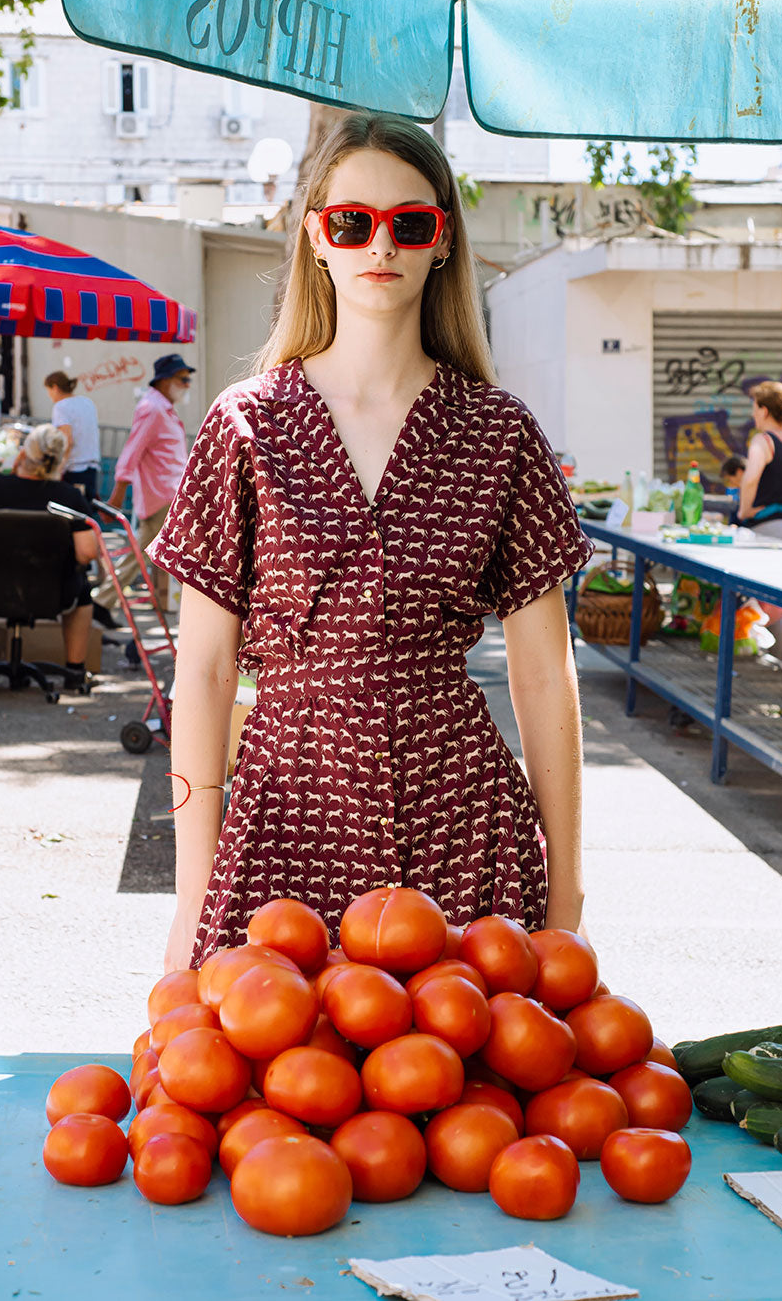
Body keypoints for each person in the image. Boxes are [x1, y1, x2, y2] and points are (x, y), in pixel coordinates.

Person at [148, 112, 595, 973]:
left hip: (465, 822)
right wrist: (192, 891)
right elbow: (202, 673)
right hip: (286, 821)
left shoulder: (499, 433)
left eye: (410, 222)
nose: (378, 244)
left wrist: (567, 893)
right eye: (351, 221)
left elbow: (546, 674)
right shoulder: (244, 426)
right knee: (271, 1096)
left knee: (472, 1099)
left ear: (442, 240)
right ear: (317, 236)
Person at [0, 425, 98, 691]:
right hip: (53, 593)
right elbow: (87, 553)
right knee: (83, 589)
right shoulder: (69, 497)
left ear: (23, 454)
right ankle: (75, 671)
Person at [92, 351, 195, 625]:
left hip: (168, 494)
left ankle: (103, 600)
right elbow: (131, 452)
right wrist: (117, 494)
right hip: (162, 496)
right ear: (165, 380)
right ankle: (102, 600)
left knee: (145, 552)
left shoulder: (162, 408)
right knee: (148, 553)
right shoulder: (152, 408)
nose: (187, 385)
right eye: (182, 379)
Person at [737, 381, 782, 544]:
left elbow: (750, 480)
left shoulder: (763, 441)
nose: (753, 414)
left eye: (755, 408)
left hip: (767, 529)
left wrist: (744, 511)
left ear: (764, 411)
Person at [43, 370, 101, 502]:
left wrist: (59, 468)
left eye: (49, 391)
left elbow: (67, 440)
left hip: (74, 468)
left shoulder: (60, 407)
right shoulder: (87, 402)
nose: (49, 395)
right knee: (86, 512)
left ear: (55, 388)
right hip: (92, 466)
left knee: (70, 514)